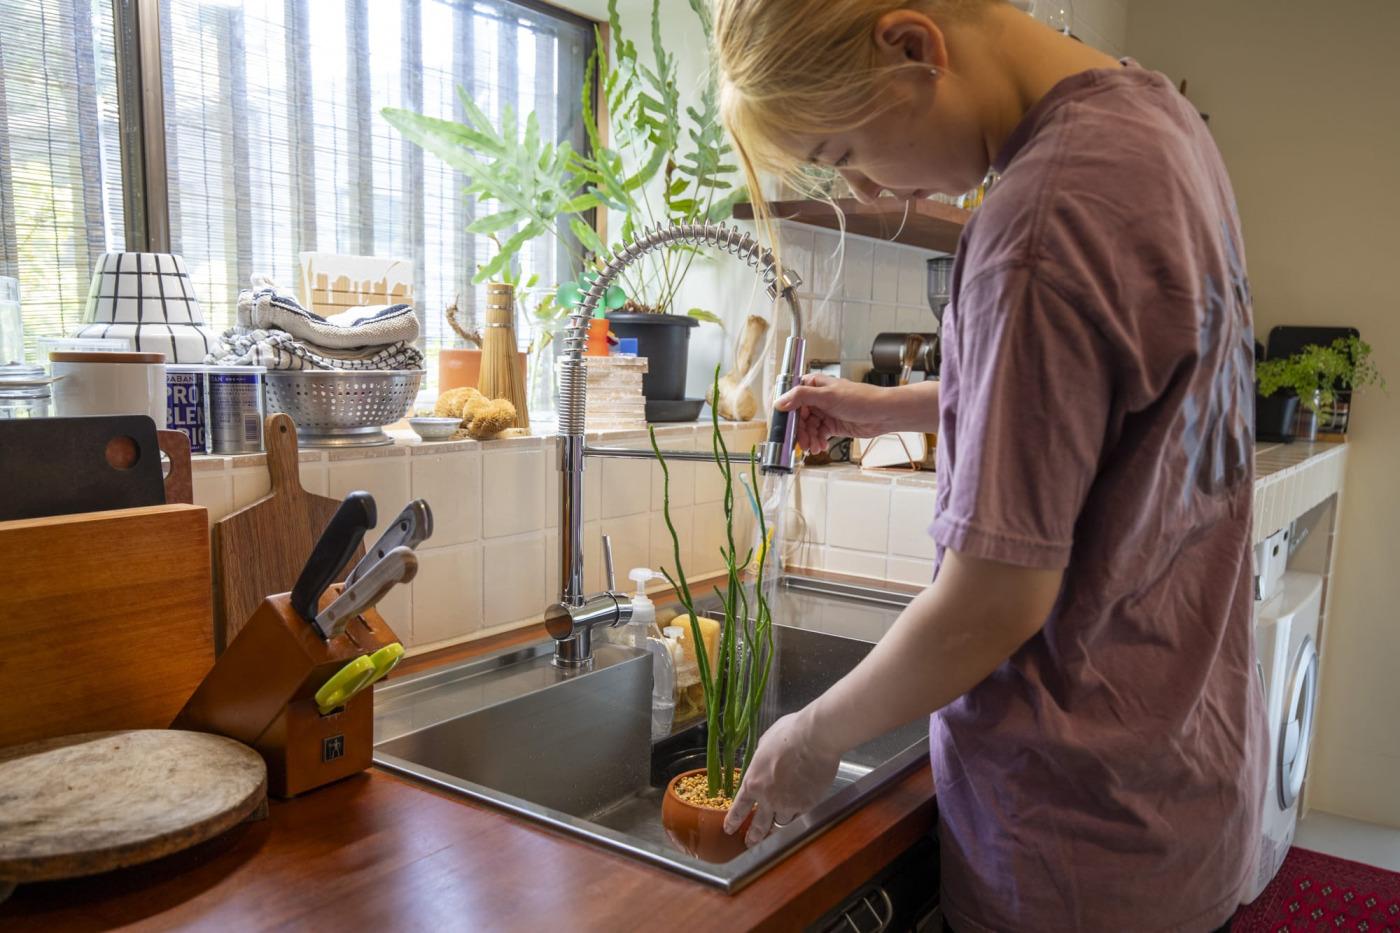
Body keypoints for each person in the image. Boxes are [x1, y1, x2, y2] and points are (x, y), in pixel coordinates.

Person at [710, 2, 1267, 931]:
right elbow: (1107, 398)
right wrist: (886, 405)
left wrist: (813, 734)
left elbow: (994, 601)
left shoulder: (1039, 223)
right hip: (1178, 782)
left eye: (847, 152)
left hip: (1070, 841)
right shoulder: (1158, 122)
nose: (877, 188)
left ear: (913, 45)